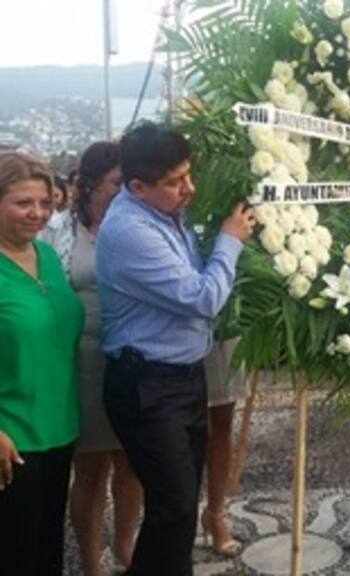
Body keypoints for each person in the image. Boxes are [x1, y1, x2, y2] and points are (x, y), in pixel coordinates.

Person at [96, 122, 255, 575]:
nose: (189, 188)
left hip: (182, 378)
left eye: (188, 174)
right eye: (175, 182)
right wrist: (230, 239)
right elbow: (202, 298)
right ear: (137, 187)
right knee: (173, 508)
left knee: (179, 507)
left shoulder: (164, 214)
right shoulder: (130, 231)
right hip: (147, 384)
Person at [45, 142, 143, 576]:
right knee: (89, 469)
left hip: (132, 356)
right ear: (88, 186)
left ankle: (125, 547)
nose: (123, 192)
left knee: (132, 463)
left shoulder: (140, 224)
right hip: (80, 361)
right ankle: (90, 561)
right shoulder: (57, 230)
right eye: (116, 184)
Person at [0, 152, 84, 575]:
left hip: (57, 427)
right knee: (15, 554)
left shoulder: (46, 257)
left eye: (45, 203)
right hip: (11, 438)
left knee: (48, 546)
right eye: (22, 203)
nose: (37, 213)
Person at [201, 337, 247, 557]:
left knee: (222, 419)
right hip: (175, 324)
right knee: (178, 425)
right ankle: (177, 515)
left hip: (222, 326)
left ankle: (215, 513)